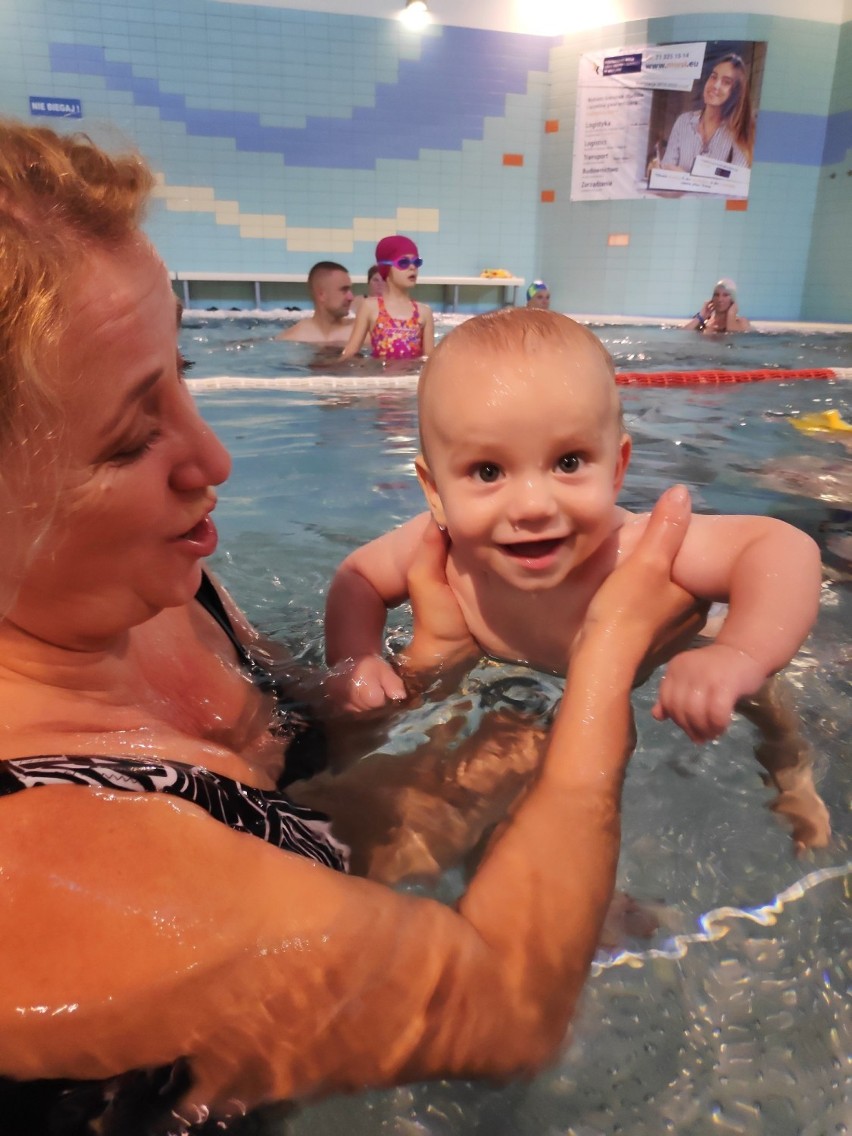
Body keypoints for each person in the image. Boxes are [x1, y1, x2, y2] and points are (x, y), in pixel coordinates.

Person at [0, 119, 707, 1132]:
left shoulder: (158, 592)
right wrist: (607, 659)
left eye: (182, 377)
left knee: (505, 744)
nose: (214, 458)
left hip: (299, 877)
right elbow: (505, 1010)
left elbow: (302, 817)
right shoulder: (32, 876)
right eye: (129, 437)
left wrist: (424, 673)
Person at [325, 309, 822, 748]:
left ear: (617, 467)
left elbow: (781, 546)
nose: (534, 505)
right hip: (522, 691)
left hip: (686, 649)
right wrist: (356, 660)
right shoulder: (439, 548)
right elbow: (358, 579)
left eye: (568, 462)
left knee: (758, 697)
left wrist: (740, 652)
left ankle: (787, 764)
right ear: (435, 491)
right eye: (488, 472)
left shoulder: (639, 549)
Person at [340, 235, 434, 360]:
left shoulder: (424, 312)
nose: (412, 267)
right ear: (386, 268)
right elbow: (350, 353)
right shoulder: (370, 307)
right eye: (404, 263)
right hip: (380, 378)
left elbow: (430, 361)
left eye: (416, 262)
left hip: (411, 378)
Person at [658, 53, 754, 173]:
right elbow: (665, 172)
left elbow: (734, 185)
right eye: (713, 77)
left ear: (735, 92)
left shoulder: (741, 132)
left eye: (726, 82)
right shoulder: (683, 121)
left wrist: (684, 179)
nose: (715, 85)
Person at [274, 260, 354, 344]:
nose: (351, 297)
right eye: (344, 290)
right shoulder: (292, 338)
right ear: (321, 295)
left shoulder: (360, 333)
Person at [685, 277, 751, 332]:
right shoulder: (705, 322)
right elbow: (683, 334)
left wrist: (731, 314)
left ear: (732, 299)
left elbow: (733, 337)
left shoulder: (742, 322)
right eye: (716, 295)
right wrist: (701, 315)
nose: (720, 299)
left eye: (725, 295)